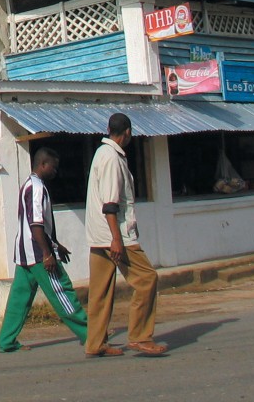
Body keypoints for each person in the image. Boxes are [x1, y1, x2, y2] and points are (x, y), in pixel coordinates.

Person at [84, 113, 168, 358]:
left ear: (109, 129)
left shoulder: (102, 153)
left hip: (99, 235)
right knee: (147, 279)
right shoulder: (111, 158)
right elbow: (110, 204)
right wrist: (117, 239)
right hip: (115, 235)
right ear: (128, 132)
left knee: (99, 292)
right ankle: (141, 336)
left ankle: (95, 343)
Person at [0, 146, 88, 353]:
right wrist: (48, 254)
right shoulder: (37, 188)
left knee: (19, 299)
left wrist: (57, 244)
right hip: (38, 254)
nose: (56, 172)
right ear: (43, 165)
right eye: (54, 168)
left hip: (24, 253)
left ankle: (6, 341)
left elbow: (40, 225)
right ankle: (89, 333)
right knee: (62, 291)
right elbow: (36, 225)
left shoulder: (29, 185)